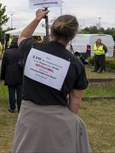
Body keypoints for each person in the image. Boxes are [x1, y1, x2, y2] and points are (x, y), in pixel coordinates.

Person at [12, 9, 91, 152]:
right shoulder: (76, 63)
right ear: (72, 36)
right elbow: (76, 100)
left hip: (29, 115)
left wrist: (37, 18)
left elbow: (23, 36)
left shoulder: (32, 49)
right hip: (59, 117)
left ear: (51, 30)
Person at [0, 37, 22, 113]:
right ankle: (20, 108)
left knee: (11, 91)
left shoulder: (7, 52)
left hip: (9, 74)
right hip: (19, 73)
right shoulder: (21, 51)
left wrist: (2, 76)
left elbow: (3, 65)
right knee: (20, 92)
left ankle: (12, 107)